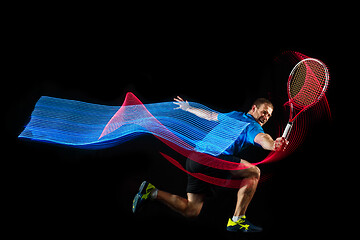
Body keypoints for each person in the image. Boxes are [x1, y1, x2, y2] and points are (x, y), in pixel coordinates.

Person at [132, 96, 288, 233]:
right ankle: (237, 220)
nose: (265, 116)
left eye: (269, 115)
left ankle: (151, 192)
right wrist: (274, 144)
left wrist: (189, 108)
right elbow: (262, 138)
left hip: (194, 159)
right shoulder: (251, 125)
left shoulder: (233, 115)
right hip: (210, 159)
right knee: (254, 172)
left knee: (191, 210)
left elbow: (210, 115)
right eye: (264, 112)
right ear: (254, 108)